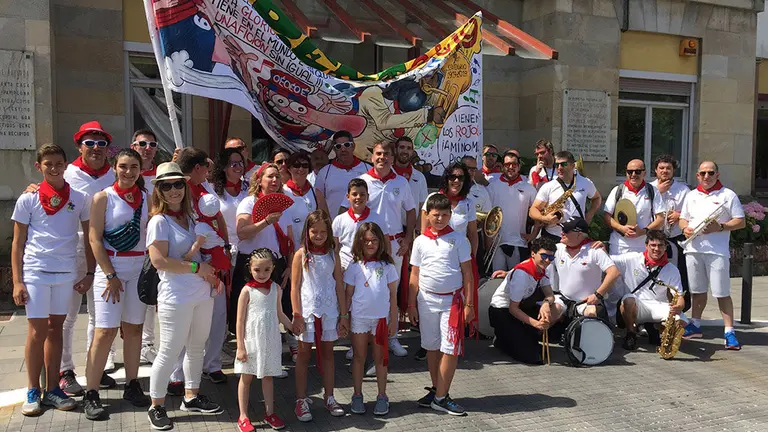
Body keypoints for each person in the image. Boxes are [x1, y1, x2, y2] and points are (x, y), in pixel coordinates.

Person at [12, 144, 88, 416]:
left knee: (56, 329)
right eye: (48, 164)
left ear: (66, 165)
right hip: (35, 272)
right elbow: (17, 244)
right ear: (39, 167)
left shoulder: (78, 198)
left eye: (59, 163)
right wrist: (18, 281)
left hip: (65, 272)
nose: (54, 168)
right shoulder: (27, 199)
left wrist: (88, 272)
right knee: (36, 331)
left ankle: (53, 388)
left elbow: (89, 238)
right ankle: (33, 389)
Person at [146, 162, 222, 430]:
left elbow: (204, 251)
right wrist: (197, 267)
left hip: (202, 292)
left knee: (196, 347)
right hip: (175, 295)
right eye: (166, 185)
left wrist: (212, 276)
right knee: (169, 350)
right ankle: (156, 405)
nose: (174, 190)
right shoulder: (159, 221)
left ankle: (191, 395)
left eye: (178, 184)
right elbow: (160, 262)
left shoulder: (191, 218)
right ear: (159, 191)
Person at [83, 149, 151, 420]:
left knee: (134, 329)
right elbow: (95, 239)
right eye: (123, 166)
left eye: (133, 166)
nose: (129, 172)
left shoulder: (147, 198)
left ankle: (132, 384)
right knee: (105, 332)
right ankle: (91, 391)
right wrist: (110, 275)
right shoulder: (103, 198)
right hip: (110, 269)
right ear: (114, 167)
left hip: (138, 268)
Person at [57, 121, 117, 396]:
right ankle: (65, 369)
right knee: (69, 314)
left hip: (104, 251)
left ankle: (96, 367)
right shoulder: (67, 174)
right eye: (89, 143)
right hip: (74, 250)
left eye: (101, 143)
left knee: (98, 314)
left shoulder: (114, 175)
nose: (96, 148)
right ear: (79, 146)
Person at [166, 148, 231, 393]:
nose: (209, 170)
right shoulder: (176, 188)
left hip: (214, 256)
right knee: (184, 320)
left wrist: (224, 245)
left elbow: (219, 219)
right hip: (188, 259)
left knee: (216, 315)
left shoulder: (207, 187)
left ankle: (212, 364)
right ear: (196, 168)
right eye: (205, 166)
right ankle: (176, 374)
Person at [347, 141, 416, 357]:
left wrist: (407, 238)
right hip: (366, 246)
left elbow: (412, 211)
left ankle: (391, 336)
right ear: (372, 157)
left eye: (386, 154)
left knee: (390, 291)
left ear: (392, 158)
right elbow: (347, 209)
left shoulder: (401, 183)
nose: (382, 157)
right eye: (378, 153)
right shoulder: (363, 182)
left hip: (394, 245)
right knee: (361, 290)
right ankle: (357, 340)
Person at [408, 193, 473, 416]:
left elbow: (467, 274)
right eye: (436, 215)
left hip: (451, 301)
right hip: (426, 300)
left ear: (450, 215)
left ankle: (441, 398)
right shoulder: (420, 241)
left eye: (445, 215)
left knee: (450, 349)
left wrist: (469, 305)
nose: (440, 219)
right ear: (428, 215)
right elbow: (414, 275)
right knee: (431, 346)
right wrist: (410, 305)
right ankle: (438, 390)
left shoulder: (459, 239)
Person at [235, 163, 294, 377]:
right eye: (269, 177)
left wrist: (288, 266)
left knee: (271, 313)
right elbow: (242, 232)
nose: (274, 180)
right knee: (248, 314)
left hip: (275, 264)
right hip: (251, 264)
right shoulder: (249, 202)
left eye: (277, 176)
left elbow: (289, 240)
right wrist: (266, 221)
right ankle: (246, 358)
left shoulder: (284, 207)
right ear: (259, 180)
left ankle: (270, 361)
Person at [679, 161, 745, 350]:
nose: (706, 176)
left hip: (716, 252)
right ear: (697, 175)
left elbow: (740, 221)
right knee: (697, 291)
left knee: (721, 293)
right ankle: (695, 325)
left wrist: (721, 227)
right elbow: (684, 218)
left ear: (717, 174)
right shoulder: (691, 195)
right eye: (702, 173)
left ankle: (729, 331)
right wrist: (685, 228)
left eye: (710, 173)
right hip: (693, 249)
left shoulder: (728, 195)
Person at [290, 211, 348, 422]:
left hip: (329, 310)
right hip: (307, 311)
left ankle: (330, 396)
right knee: (304, 355)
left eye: (323, 231)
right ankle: (301, 400)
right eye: (314, 231)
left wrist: (343, 315)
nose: (319, 235)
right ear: (307, 231)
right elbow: (294, 288)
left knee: (328, 355)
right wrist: (297, 315)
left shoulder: (333, 254)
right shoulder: (301, 254)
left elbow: (339, 285)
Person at [234, 248, 294, 432]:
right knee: (247, 377)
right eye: (257, 270)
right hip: (251, 341)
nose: (262, 274)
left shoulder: (276, 289)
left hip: (270, 340)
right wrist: (240, 347)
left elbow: (279, 313)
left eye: (266, 270)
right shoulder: (246, 291)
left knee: (268, 376)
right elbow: (240, 320)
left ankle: (270, 413)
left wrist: (292, 327)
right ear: (250, 269)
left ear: (273, 268)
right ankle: (243, 416)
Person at [345, 222, 399, 416]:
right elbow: (348, 294)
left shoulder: (388, 265)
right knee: (359, 357)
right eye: (366, 240)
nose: (370, 244)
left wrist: (394, 320)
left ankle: (382, 395)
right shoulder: (353, 266)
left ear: (380, 242)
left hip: (381, 320)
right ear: (360, 241)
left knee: (380, 360)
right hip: (359, 318)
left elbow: (393, 295)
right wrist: (344, 317)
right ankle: (357, 395)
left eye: (374, 240)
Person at [612, 230, 688, 350]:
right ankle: (631, 333)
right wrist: (599, 247)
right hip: (638, 305)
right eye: (653, 245)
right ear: (646, 245)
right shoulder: (632, 258)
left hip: (659, 305)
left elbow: (679, 296)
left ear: (665, 247)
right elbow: (607, 259)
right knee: (628, 299)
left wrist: (679, 307)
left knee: (681, 322)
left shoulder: (672, 269)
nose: (656, 249)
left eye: (660, 245)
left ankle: (659, 332)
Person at [488, 237, 559, 364]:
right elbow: (512, 308)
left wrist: (546, 303)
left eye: (551, 258)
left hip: (519, 308)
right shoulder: (523, 274)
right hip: (502, 311)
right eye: (543, 256)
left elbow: (550, 295)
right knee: (530, 357)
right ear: (533, 253)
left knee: (539, 351)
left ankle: (511, 339)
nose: (547, 260)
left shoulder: (541, 269)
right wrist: (535, 324)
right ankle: (501, 340)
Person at [550, 218, 620, 321]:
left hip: (586, 302)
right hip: (563, 299)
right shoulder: (557, 248)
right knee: (546, 314)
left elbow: (614, 273)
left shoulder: (595, 250)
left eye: (566, 231)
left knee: (591, 313)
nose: (562, 233)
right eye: (562, 230)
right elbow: (536, 258)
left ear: (579, 234)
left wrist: (598, 295)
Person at [132, 129, 161, 366]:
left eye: (152, 144)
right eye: (143, 143)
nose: (147, 147)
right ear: (134, 146)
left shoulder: (161, 175)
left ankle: (147, 345)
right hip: (125, 247)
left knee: (149, 297)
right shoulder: (125, 173)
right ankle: (111, 351)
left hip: (153, 246)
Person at [529, 151, 602, 241]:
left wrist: (589, 216)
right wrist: (544, 218)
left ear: (572, 165)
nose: (559, 168)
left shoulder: (586, 183)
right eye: (557, 165)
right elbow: (533, 210)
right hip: (553, 236)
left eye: (563, 164)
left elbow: (597, 198)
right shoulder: (548, 186)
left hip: (576, 237)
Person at [486, 151, 538, 271]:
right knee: (496, 282)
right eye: (507, 164)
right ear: (502, 166)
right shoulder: (492, 186)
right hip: (497, 244)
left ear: (519, 166)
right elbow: (487, 216)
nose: (510, 167)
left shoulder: (528, 188)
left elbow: (538, 212)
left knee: (517, 281)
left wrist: (534, 233)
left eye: (514, 164)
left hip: (518, 243)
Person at [603, 159, 664, 255]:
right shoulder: (618, 190)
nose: (633, 174)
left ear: (644, 173)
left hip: (643, 246)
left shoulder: (653, 191)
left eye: (638, 171)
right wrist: (621, 228)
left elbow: (660, 219)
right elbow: (607, 216)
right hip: (619, 245)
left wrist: (643, 231)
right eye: (630, 172)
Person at [650, 154, 690, 291]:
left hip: (675, 238)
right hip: (654, 239)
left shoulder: (683, 190)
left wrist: (679, 215)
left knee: (678, 274)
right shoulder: (649, 188)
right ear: (656, 170)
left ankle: (679, 304)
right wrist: (658, 192)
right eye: (661, 168)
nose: (664, 171)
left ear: (673, 171)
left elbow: (691, 211)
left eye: (668, 168)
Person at [332, 179, 386, 270]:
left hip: (370, 267)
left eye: (362, 194)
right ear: (347, 196)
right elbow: (334, 248)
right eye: (354, 194)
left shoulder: (378, 219)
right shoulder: (339, 219)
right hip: (344, 266)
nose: (358, 197)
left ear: (367, 197)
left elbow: (386, 244)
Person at [314, 130, 370, 216]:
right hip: (335, 226)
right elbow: (320, 202)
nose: (343, 149)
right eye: (338, 146)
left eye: (347, 145)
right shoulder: (324, 173)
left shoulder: (368, 169)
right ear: (334, 149)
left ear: (353, 146)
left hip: (362, 226)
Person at [284, 151, 330, 249]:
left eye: (304, 165)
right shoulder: (282, 192)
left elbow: (326, 221)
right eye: (296, 165)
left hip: (312, 248)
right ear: (289, 168)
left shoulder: (316, 193)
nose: (301, 169)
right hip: (289, 247)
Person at [185, 195, 231, 272]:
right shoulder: (213, 222)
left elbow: (198, 244)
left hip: (211, 258)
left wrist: (187, 257)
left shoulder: (201, 226)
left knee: (208, 276)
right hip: (218, 254)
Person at [393, 137, 428, 228]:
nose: (405, 151)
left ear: (412, 152)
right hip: (391, 229)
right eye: (402, 147)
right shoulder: (387, 173)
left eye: (409, 148)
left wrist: (417, 229)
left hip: (411, 228)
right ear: (395, 150)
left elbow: (422, 207)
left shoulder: (419, 177)